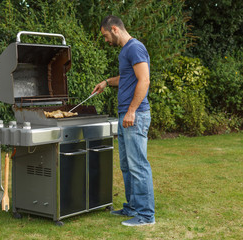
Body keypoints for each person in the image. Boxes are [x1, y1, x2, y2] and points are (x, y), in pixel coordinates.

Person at [92, 15, 155, 227]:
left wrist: (131, 111)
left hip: (134, 115)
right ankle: (133, 207)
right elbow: (128, 78)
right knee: (127, 166)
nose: (106, 40)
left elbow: (144, 79)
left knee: (139, 165)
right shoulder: (126, 51)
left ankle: (146, 215)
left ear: (115, 29)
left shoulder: (135, 48)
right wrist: (107, 82)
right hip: (125, 115)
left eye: (106, 35)